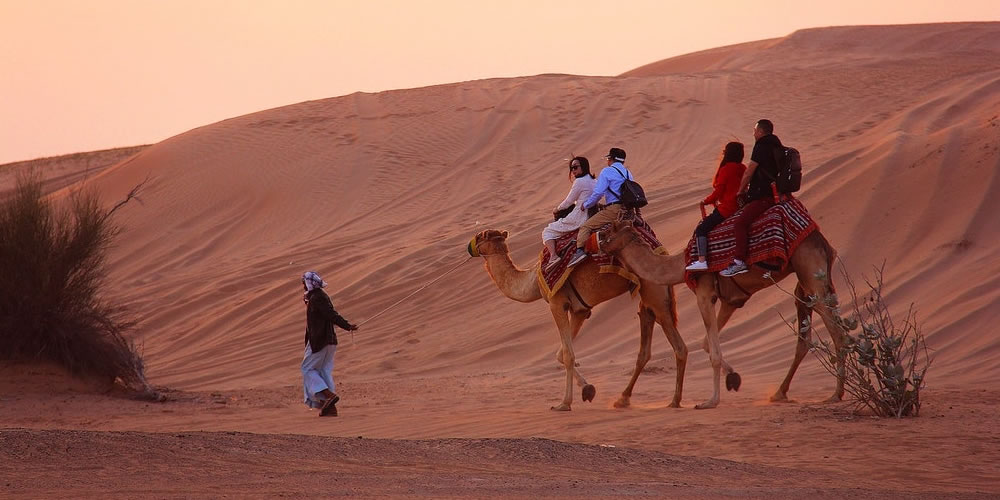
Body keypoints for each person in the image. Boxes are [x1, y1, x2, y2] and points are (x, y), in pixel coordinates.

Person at [720, 119, 784, 277]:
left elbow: (749, 171)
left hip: (763, 196)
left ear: (761, 132)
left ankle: (739, 262)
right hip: (777, 194)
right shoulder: (778, 146)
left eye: (755, 131)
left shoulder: (761, 146)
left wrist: (740, 191)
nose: (754, 134)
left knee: (739, 224)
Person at [301, 271, 358, 417]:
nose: (302, 286)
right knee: (323, 371)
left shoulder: (317, 298)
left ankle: (328, 396)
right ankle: (329, 408)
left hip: (320, 340)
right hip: (328, 341)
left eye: (303, 283)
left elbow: (331, 314)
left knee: (307, 369)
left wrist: (347, 326)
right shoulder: (318, 296)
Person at [566, 147, 635, 267]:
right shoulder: (628, 173)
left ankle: (580, 252)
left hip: (614, 210)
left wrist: (586, 204)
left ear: (610, 159)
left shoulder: (607, 172)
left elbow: (598, 193)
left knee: (586, 227)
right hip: (628, 211)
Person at [686, 142, 747, 271]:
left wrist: (705, 201)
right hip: (740, 207)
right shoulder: (743, 168)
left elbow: (718, 192)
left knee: (701, 229)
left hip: (728, 208)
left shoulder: (726, 169)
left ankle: (702, 260)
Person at [542, 156, 596, 270]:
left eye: (575, 167)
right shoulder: (594, 181)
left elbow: (568, 201)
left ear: (584, 167)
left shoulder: (579, 181)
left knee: (548, 231)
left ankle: (553, 256)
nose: (573, 171)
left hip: (579, 217)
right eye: (571, 168)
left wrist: (557, 209)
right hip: (592, 215)